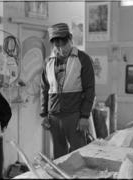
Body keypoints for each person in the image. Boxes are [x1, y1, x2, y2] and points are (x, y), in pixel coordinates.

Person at [40, 23, 95, 159]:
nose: (61, 49)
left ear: (70, 39)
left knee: (79, 152)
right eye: (56, 46)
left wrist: (84, 116)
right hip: (54, 116)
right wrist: (44, 114)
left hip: (74, 115)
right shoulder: (48, 62)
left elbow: (90, 89)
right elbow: (44, 88)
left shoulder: (83, 59)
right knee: (59, 154)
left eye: (63, 44)